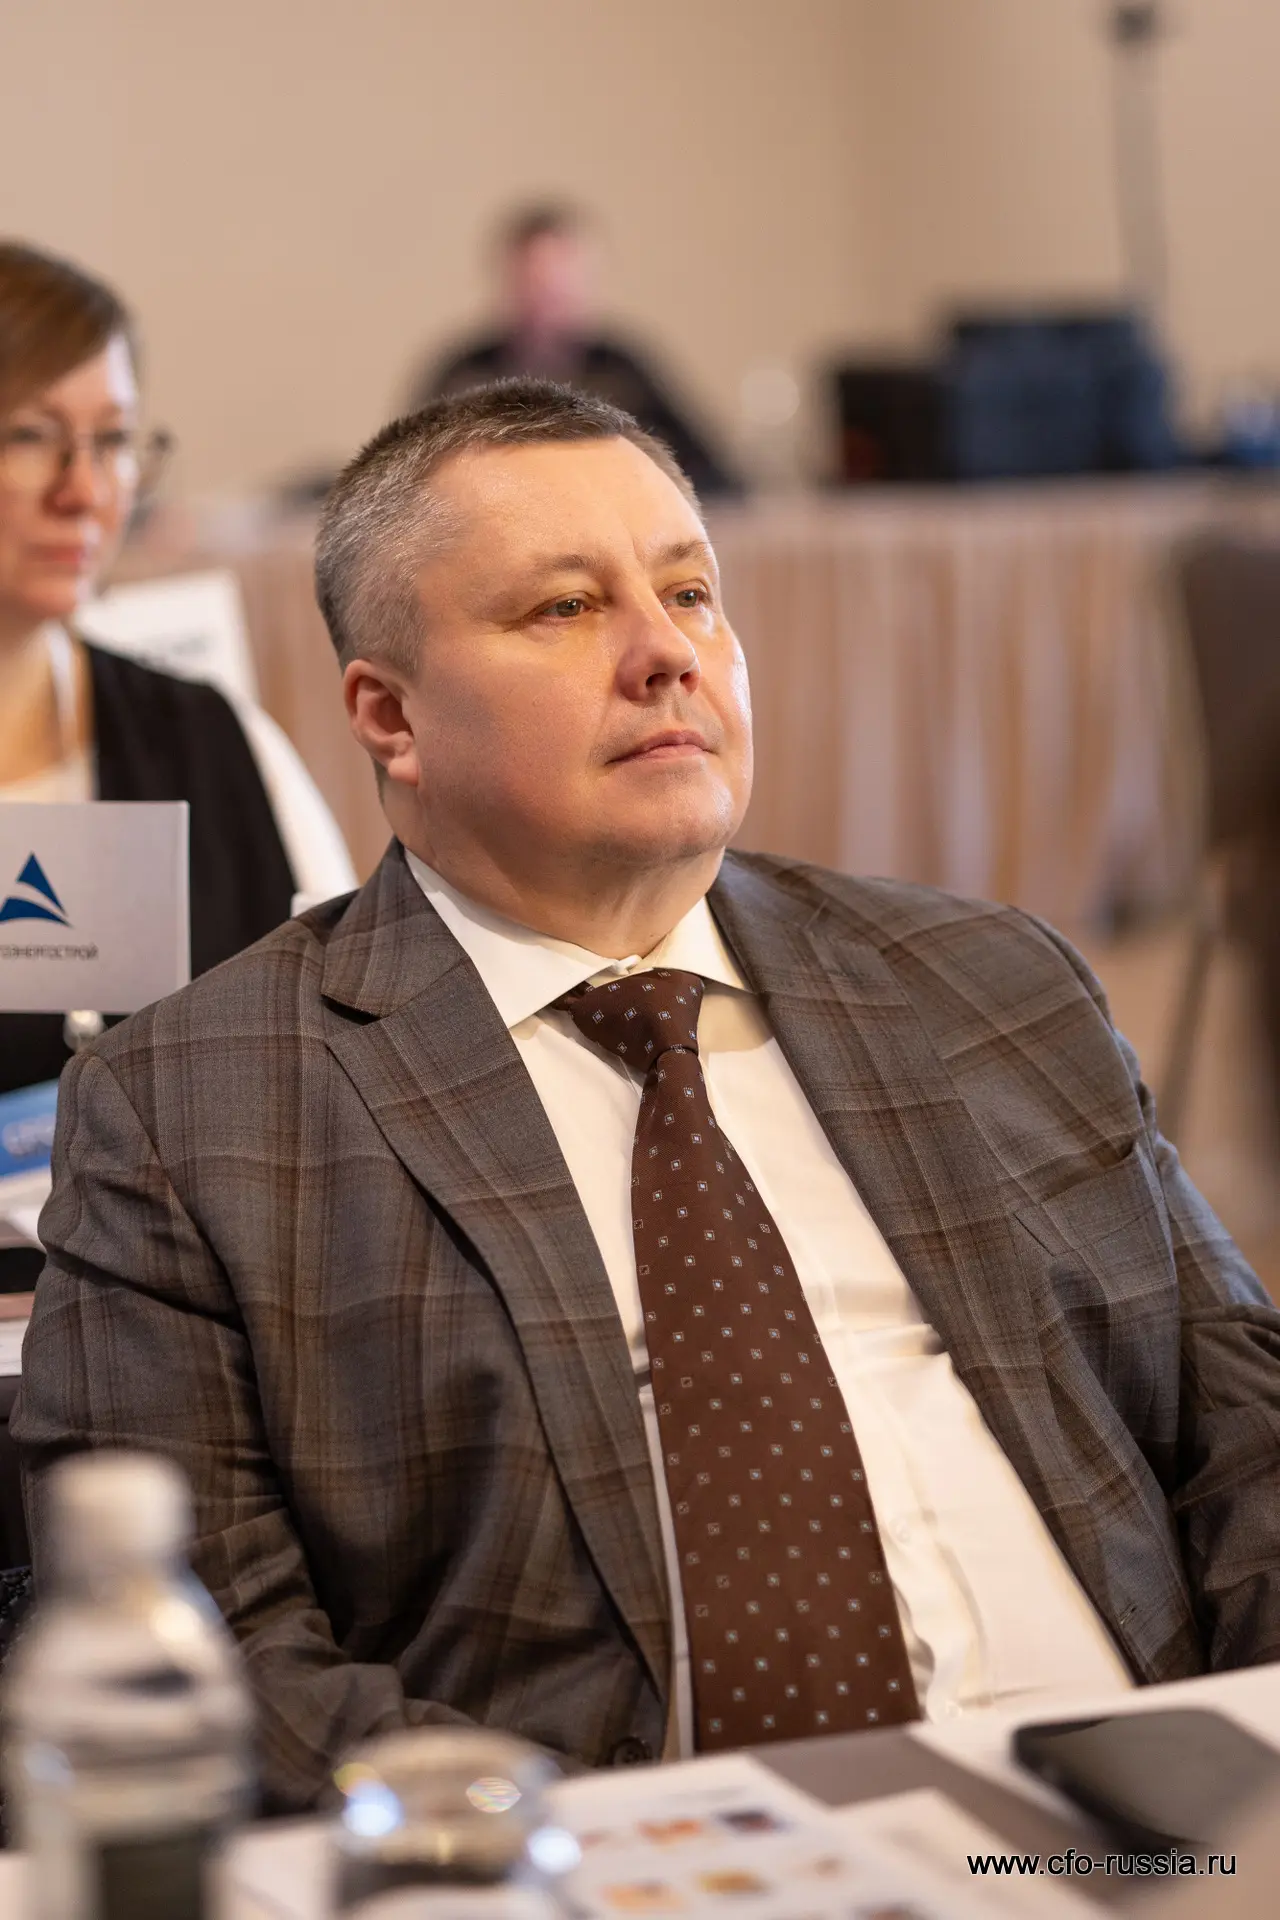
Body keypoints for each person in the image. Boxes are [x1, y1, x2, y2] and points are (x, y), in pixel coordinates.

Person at [15, 379, 1280, 1816]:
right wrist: (578, 1858)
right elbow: (198, 1642)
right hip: (618, 1860)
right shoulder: (194, 1108)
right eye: (564, 608)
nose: (667, 652)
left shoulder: (987, 981)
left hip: (1152, 1828)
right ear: (390, 715)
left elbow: (1245, 1422)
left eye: (689, 593)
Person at [0, 240, 355, 1106]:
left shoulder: (210, 740)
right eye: (33, 436)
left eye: (114, 440)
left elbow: (349, 1050)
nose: (85, 491)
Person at [409, 203, 739, 498]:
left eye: (560, 285)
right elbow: (411, 476)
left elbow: (710, 473)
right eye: (535, 285)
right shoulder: (464, 376)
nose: (547, 301)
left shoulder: (625, 372)